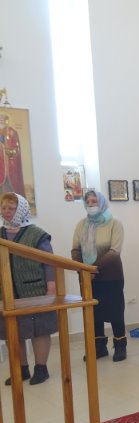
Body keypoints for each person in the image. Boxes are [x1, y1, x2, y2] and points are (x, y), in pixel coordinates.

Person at [0, 193, 56, 385]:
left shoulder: (36, 234)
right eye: (3, 208)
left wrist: (51, 286)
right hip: (6, 293)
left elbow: (49, 261)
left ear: (21, 210)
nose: (6, 211)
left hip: (34, 290)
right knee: (12, 332)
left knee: (39, 330)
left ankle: (41, 368)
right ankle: (21, 369)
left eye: (11, 208)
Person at [71, 190, 128, 361]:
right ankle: (99, 347)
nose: (91, 205)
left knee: (116, 311)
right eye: (88, 202)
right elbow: (75, 249)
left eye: (94, 201)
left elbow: (114, 251)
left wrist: (93, 269)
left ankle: (120, 346)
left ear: (101, 202)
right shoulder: (82, 225)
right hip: (87, 277)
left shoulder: (114, 223)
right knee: (93, 314)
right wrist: (83, 270)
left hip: (111, 275)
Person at [0, 114, 24, 195]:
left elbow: (16, 148)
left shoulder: (12, 132)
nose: (1, 120)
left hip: (10, 165)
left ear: (7, 120)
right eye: (0, 119)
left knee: (9, 188)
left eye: (3, 119)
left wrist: (9, 149)